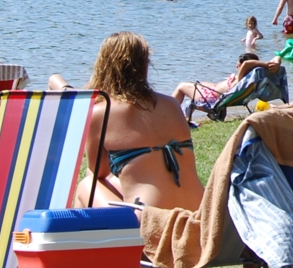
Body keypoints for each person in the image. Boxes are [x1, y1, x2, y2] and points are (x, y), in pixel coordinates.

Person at [73, 32, 202, 213]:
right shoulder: (172, 104)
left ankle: (86, 241)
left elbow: (98, 174)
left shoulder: (101, 112)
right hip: (197, 213)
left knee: (87, 184)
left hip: (151, 217)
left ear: (104, 66)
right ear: (144, 65)